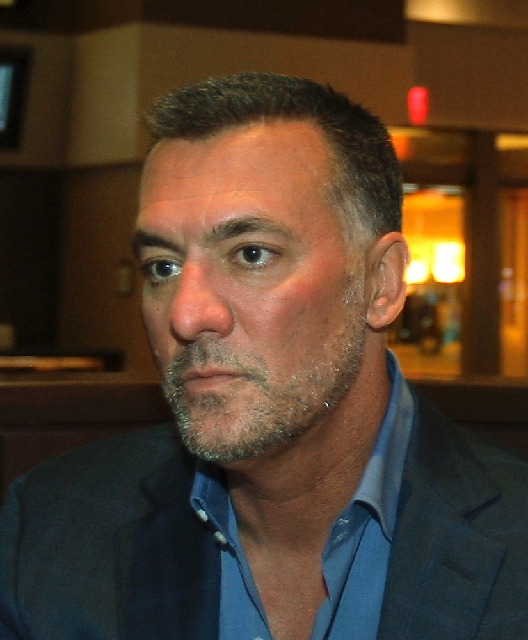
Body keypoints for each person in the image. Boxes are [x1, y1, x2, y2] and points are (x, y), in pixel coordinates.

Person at [1, 72, 528, 640]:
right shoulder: (52, 529)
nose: (186, 315)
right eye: (163, 266)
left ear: (381, 282)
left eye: (251, 254)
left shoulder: (514, 541)